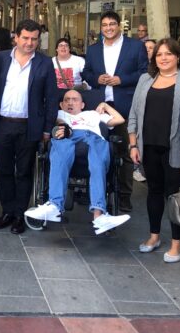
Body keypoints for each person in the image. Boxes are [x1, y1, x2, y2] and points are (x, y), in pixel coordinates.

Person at [24, 89, 130, 234]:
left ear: (82, 105)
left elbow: (120, 119)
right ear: (61, 105)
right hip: (68, 135)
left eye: (75, 99)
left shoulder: (93, 114)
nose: (70, 102)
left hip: (93, 137)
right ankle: (54, 205)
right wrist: (63, 127)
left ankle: (99, 215)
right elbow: (57, 123)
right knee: (60, 147)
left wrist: (105, 105)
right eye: (66, 100)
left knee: (98, 163)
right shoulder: (59, 114)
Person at [0, 19, 59, 234]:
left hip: (29, 126)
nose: (29, 43)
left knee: (24, 172)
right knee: (4, 171)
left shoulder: (45, 63)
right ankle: (7, 212)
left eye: (34, 39)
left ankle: (20, 214)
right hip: (2, 124)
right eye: (25, 38)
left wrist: (47, 129)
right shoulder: (0, 59)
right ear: (16, 37)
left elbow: (51, 98)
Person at [128, 39, 180, 263]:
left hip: (177, 148)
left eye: (168, 54)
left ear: (177, 56)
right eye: (159, 54)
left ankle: (177, 243)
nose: (163, 58)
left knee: (174, 196)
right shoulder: (145, 79)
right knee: (153, 191)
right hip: (148, 146)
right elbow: (134, 114)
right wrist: (133, 144)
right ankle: (154, 236)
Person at [83, 10, 148, 212]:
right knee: (97, 149)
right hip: (99, 107)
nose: (108, 28)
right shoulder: (93, 49)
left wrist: (122, 80)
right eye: (104, 25)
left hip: (125, 106)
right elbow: (86, 72)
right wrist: (96, 79)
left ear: (119, 26)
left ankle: (124, 196)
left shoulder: (135, 46)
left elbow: (144, 72)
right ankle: (96, 192)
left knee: (125, 153)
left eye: (112, 24)